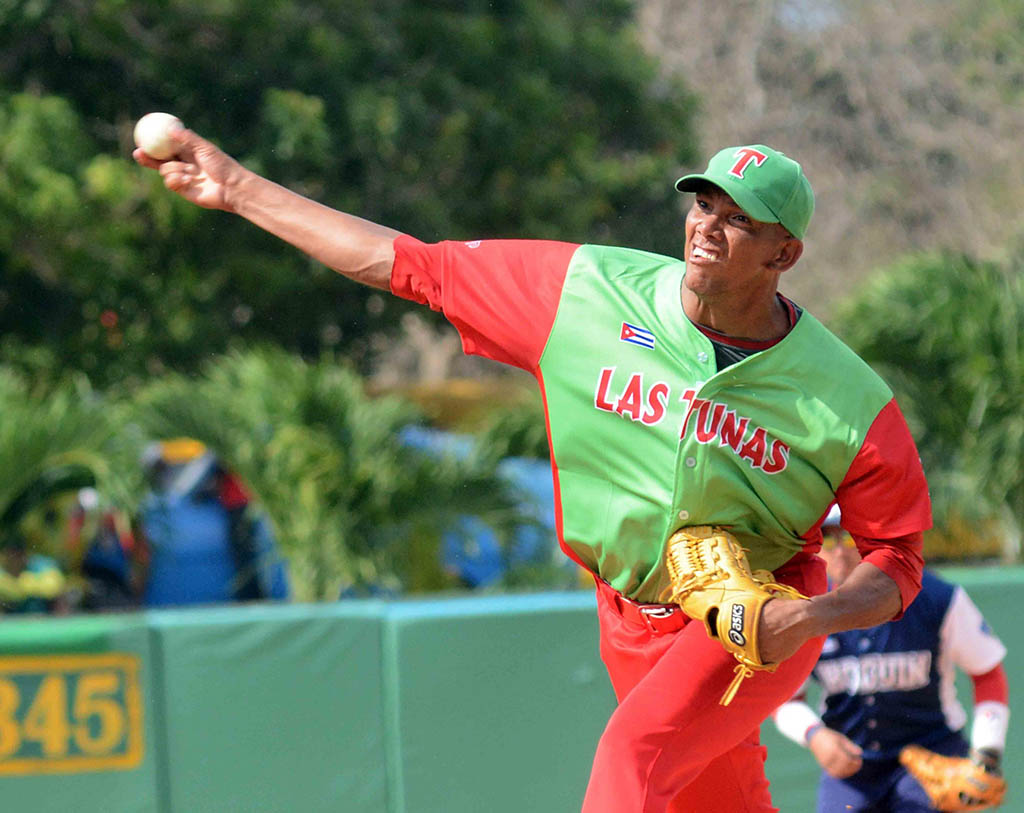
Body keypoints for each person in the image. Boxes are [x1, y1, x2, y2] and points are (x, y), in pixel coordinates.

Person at [136, 130, 931, 811]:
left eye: (739, 220)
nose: (708, 228)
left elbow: (897, 559)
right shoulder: (587, 292)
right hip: (624, 611)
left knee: (633, 757)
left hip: (753, 620)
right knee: (713, 797)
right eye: (704, 206)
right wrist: (236, 187)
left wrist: (810, 617)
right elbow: (408, 264)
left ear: (784, 252)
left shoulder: (847, 398)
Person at [773, 507, 1010, 812]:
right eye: (827, 541)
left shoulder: (935, 597)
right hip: (852, 765)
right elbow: (784, 697)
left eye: (849, 539)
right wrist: (814, 735)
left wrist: (987, 753)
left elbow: (987, 672)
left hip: (932, 756)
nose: (840, 552)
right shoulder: (807, 608)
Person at [135, 438, 290, 607]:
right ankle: (251, 599)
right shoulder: (190, 452)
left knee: (246, 557)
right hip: (236, 504)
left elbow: (193, 477)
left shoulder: (218, 451)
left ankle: (251, 599)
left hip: (239, 505)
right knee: (246, 557)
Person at [0, 533, 70, 615]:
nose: (14, 562)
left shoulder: (42, 566)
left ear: (24, 555)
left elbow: (55, 586)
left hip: (43, 616)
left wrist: (25, 586)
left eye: (17, 556)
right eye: (10, 557)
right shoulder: (2, 572)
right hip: (12, 618)